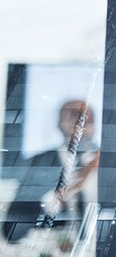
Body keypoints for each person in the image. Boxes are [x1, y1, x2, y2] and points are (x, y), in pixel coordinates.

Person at [2, 100, 98, 244]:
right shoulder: (39, 162)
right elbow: (13, 231)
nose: (80, 126)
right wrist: (53, 201)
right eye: (73, 118)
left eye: (87, 120)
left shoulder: (107, 163)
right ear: (59, 124)